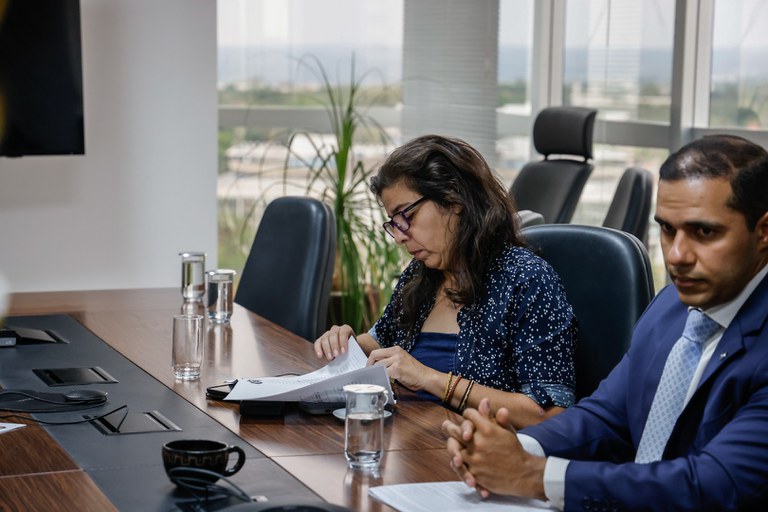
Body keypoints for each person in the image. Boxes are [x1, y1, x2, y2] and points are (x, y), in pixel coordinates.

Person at [443, 134, 768, 510]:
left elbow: (713, 485)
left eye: (704, 232)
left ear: (762, 232)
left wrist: (533, 474)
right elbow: (609, 415)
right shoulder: (672, 305)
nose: (677, 255)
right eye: (666, 229)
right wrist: (510, 448)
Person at [314, 134, 577, 428]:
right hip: (411, 443)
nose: (399, 236)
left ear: (454, 200)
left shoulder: (526, 279)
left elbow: (550, 413)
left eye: (406, 215)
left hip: (475, 459)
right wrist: (347, 341)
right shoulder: (421, 274)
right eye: (393, 223)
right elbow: (380, 342)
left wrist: (433, 380)